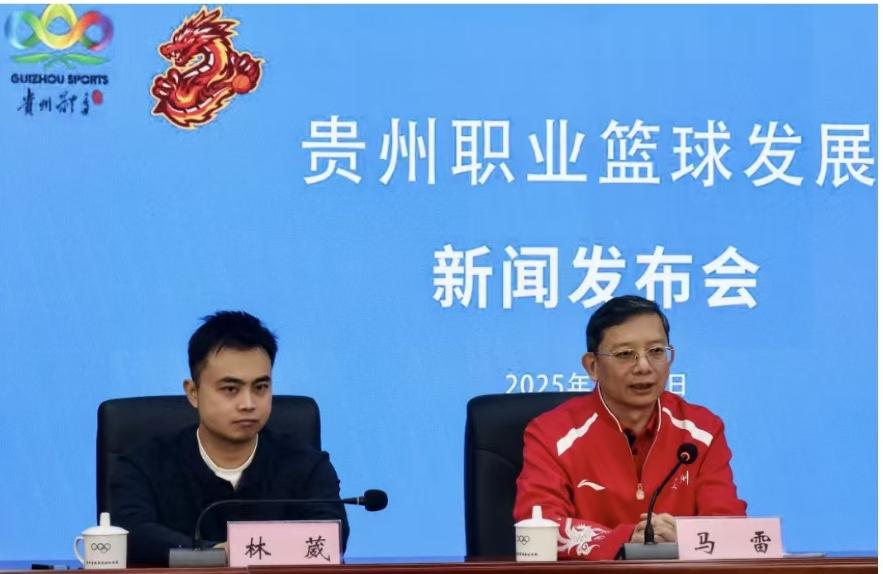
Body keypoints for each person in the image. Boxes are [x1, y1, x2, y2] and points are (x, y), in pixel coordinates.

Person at [514, 295, 746, 560]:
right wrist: (628, 540)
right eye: (625, 354)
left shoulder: (702, 431)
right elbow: (539, 526)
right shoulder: (551, 434)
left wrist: (686, 536)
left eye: (656, 351)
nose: (644, 367)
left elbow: (731, 526)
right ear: (592, 366)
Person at [111, 311, 349, 566]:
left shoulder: (307, 466)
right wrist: (214, 553)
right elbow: (130, 535)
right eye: (230, 389)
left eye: (260, 387)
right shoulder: (144, 465)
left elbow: (330, 537)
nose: (248, 404)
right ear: (193, 392)